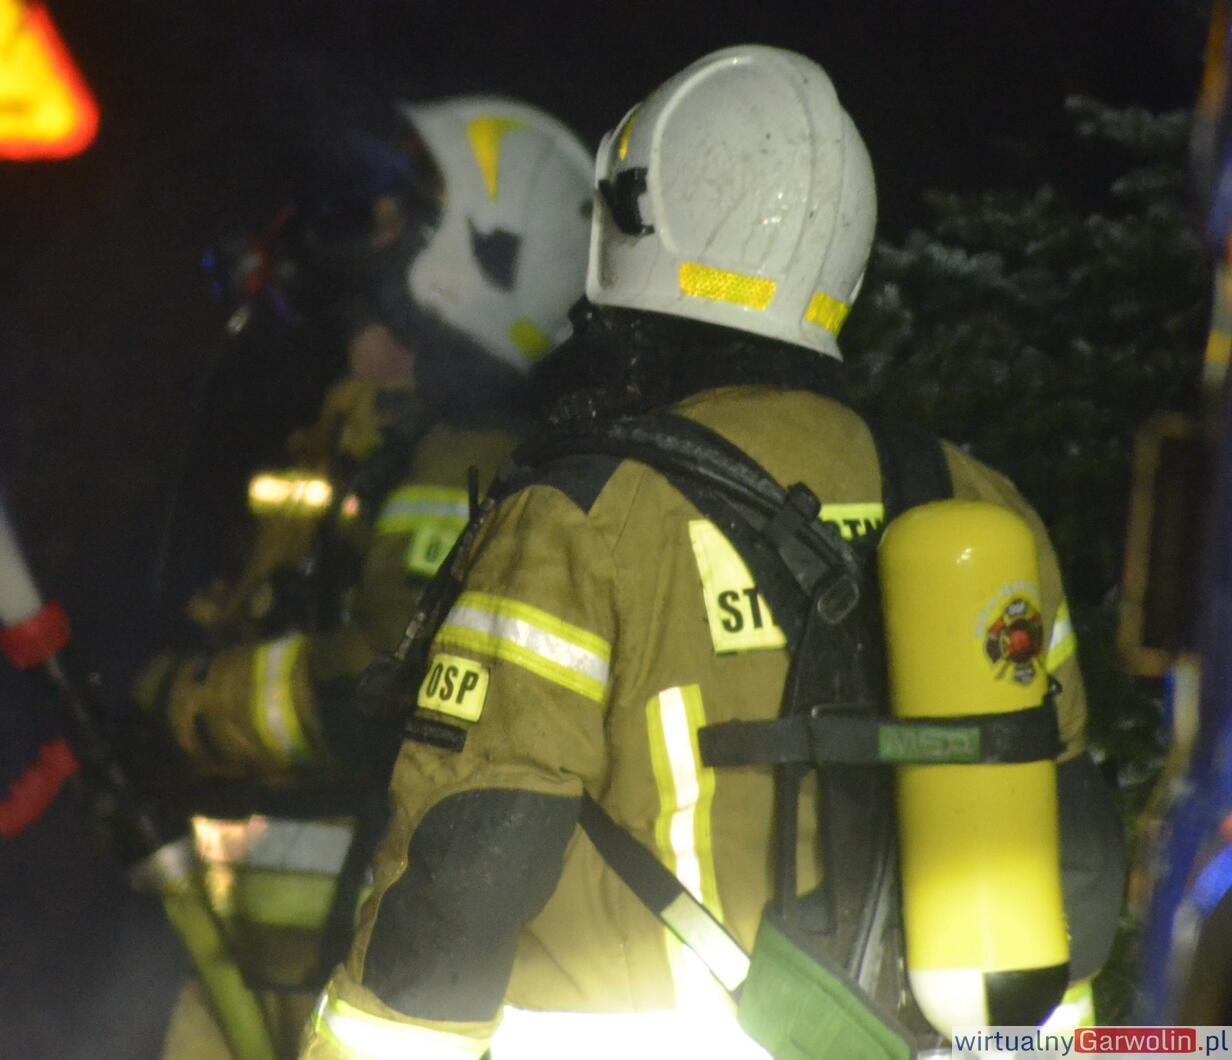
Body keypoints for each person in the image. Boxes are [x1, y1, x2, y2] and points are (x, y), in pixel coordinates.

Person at [301, 46, 1123, 1058]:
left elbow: (466, 874)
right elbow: (1076, 874)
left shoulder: (582, 516)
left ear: (637, 226)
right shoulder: (981, 507)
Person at [132, 94, 595, 1058]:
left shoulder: (464, 469)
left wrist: (183, 705)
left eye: (388, 296)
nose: (359, 326)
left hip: (349, 977)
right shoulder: (371, 446)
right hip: (258, 965)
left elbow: (372, 692)